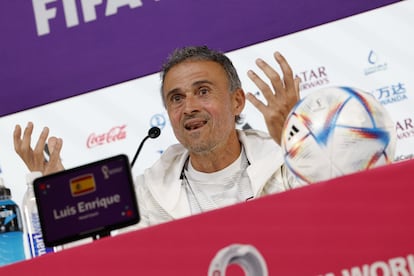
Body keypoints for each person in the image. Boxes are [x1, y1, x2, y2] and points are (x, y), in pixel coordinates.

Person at [14, 45, 302, 229]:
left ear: (237, 101)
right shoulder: (145, 195)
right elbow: (102, 261)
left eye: (203, 91)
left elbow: (337, 210)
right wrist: (59, 195)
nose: (189, 107)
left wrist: (298, 140)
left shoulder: (284, 162)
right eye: (176, 98)